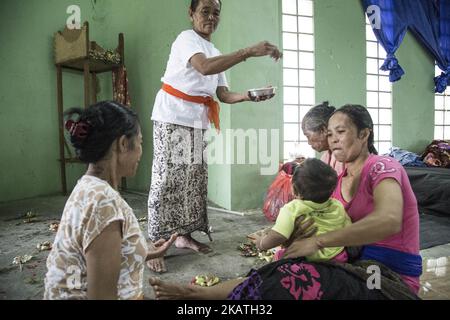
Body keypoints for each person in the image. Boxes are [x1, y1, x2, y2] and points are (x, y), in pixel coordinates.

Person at [150, 104, 421, 300]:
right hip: (351, 262)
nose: (333, 140)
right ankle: (197, 293)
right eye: (329, 134)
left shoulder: (383, 168)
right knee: (277, 268)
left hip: (381, 274)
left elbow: (388, 220)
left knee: (292, 279)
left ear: (364, 134)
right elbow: (326, 221)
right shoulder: (338, 176)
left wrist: (318, 241)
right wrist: (296, 234)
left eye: (341, 132)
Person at [147, 0, 282, 273]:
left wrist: (248, 95)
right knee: (167, 179)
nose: (211, 17)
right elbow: (205, 67)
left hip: (197, 121)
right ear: (192, 14)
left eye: (216, 12)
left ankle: (183, 235)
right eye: (204, 11)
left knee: (192, 181)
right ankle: (155, 243)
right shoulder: (186, 39)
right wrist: (248, 51)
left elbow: (222, 94)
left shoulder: (216, 51)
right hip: (171, 115)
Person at [44, 101, 177, 300]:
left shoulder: (88, 187)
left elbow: (95, 255)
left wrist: (144, 251)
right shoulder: (103, 204)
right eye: (140, 142)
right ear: (123, 144)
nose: (141, 151)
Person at [254, 158, 351, 263]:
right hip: (337, 257)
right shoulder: (337, 205)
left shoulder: (291, 209)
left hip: (306, 258)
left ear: (295, 190)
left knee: (279, 256)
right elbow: (348, 228)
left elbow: (278, 236)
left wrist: (262, 243)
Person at [302, 101, 344, 175]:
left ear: (323, 130)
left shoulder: (344, 157)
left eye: (308, 136)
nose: (308, 142)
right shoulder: (325, 157)